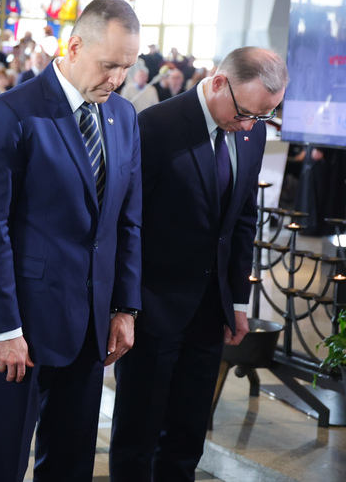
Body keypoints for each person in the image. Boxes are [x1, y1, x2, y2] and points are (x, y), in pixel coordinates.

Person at [0, 0, 142, 482]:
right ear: (74, 46)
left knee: (70, 463)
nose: (116, 79)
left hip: (90, 327)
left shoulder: (123, 116)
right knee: (5, 463)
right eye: (108, 65)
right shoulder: (10, 114)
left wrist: (125, 307)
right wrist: (4, 329)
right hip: (22, 325)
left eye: (127, 67)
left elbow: (128, 221)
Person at [109, 46, 289, 482]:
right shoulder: (156, 125)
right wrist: (124, 307)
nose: (250, 125)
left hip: (211, 311)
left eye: (264, 116)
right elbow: (127, 223)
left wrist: (238, 302)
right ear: (219, 83)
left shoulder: (251, 133)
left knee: (188, 436)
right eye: (246, 113)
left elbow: (243, 220)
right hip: (153, 307)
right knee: (138, 436)